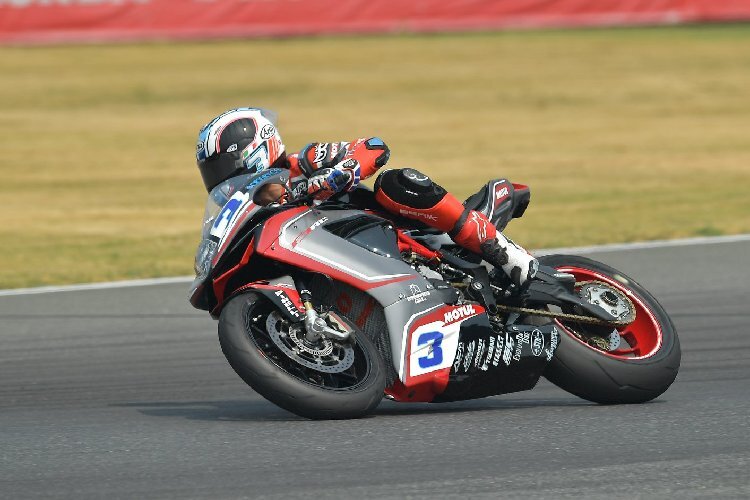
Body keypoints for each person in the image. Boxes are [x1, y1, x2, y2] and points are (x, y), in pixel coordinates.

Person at [195, 108, 538, 290]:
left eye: (223, 164)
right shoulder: (255, 212)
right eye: (212, 171)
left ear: (253, 148)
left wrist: (334, 176)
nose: (221, 176)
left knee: (396, 183)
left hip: (403, 235)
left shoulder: (307, 161)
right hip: (353, 263)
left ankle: (505, 254)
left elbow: (374, 147)